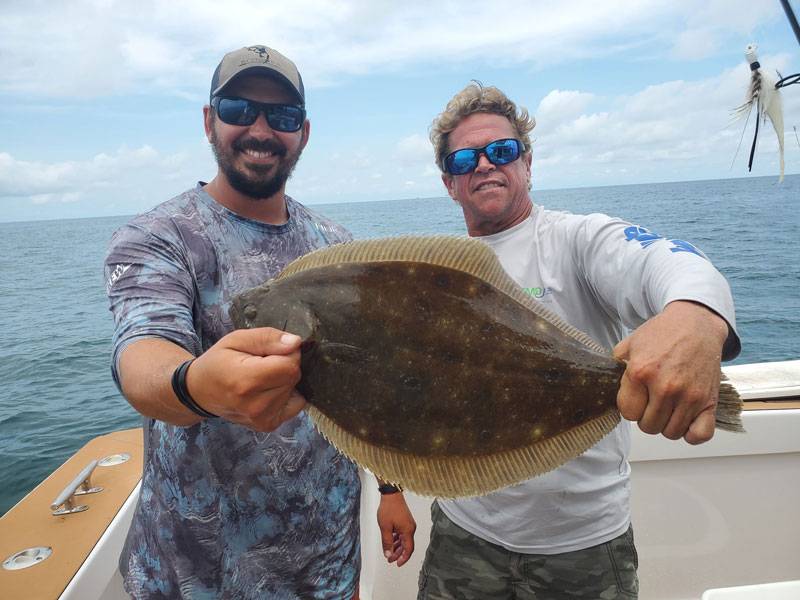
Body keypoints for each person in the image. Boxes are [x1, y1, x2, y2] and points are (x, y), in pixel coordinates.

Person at [104, 45, 415, 600]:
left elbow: (368, 391)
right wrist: (194, 385)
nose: (261, 129)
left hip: (328, 569)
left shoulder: (339, 249)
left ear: (304, 133)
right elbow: (144, 354)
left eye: (283, 116)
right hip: (196, 579)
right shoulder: (158, 236)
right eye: (239, 109)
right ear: (209, 121)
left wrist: (390, 489)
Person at [416, 82, 741, 600]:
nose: (483, 165)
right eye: (463, 160)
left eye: (500, 151)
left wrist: (695, 315)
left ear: (526, 164)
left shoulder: (577, 239)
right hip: (464, 533)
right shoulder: (438, 276)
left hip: (584, 543)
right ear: (449, 183)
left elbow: (662, 259)